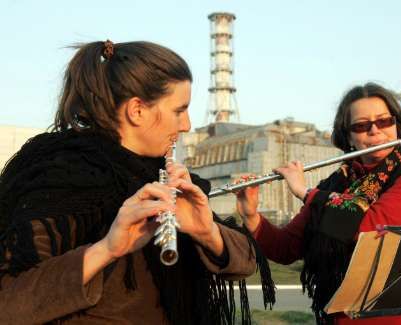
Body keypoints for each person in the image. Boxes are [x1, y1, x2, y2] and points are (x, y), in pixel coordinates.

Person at [0, 40, 273, 324]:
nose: (187, 125)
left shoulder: (162, 175)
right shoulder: (58, 175)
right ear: (137, 110)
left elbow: (247, 262)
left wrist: (206, 231)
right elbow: (8, 303)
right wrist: (106, 249)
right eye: (179, 110)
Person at [236, 82, 401, 325]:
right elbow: (286, 247)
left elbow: (368, 229)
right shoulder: (336, 184)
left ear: (396, 125)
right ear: (348, 137)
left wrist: (306, 192)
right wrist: (251, 215)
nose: (375, 131)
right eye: (362, 125)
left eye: (384, 121)